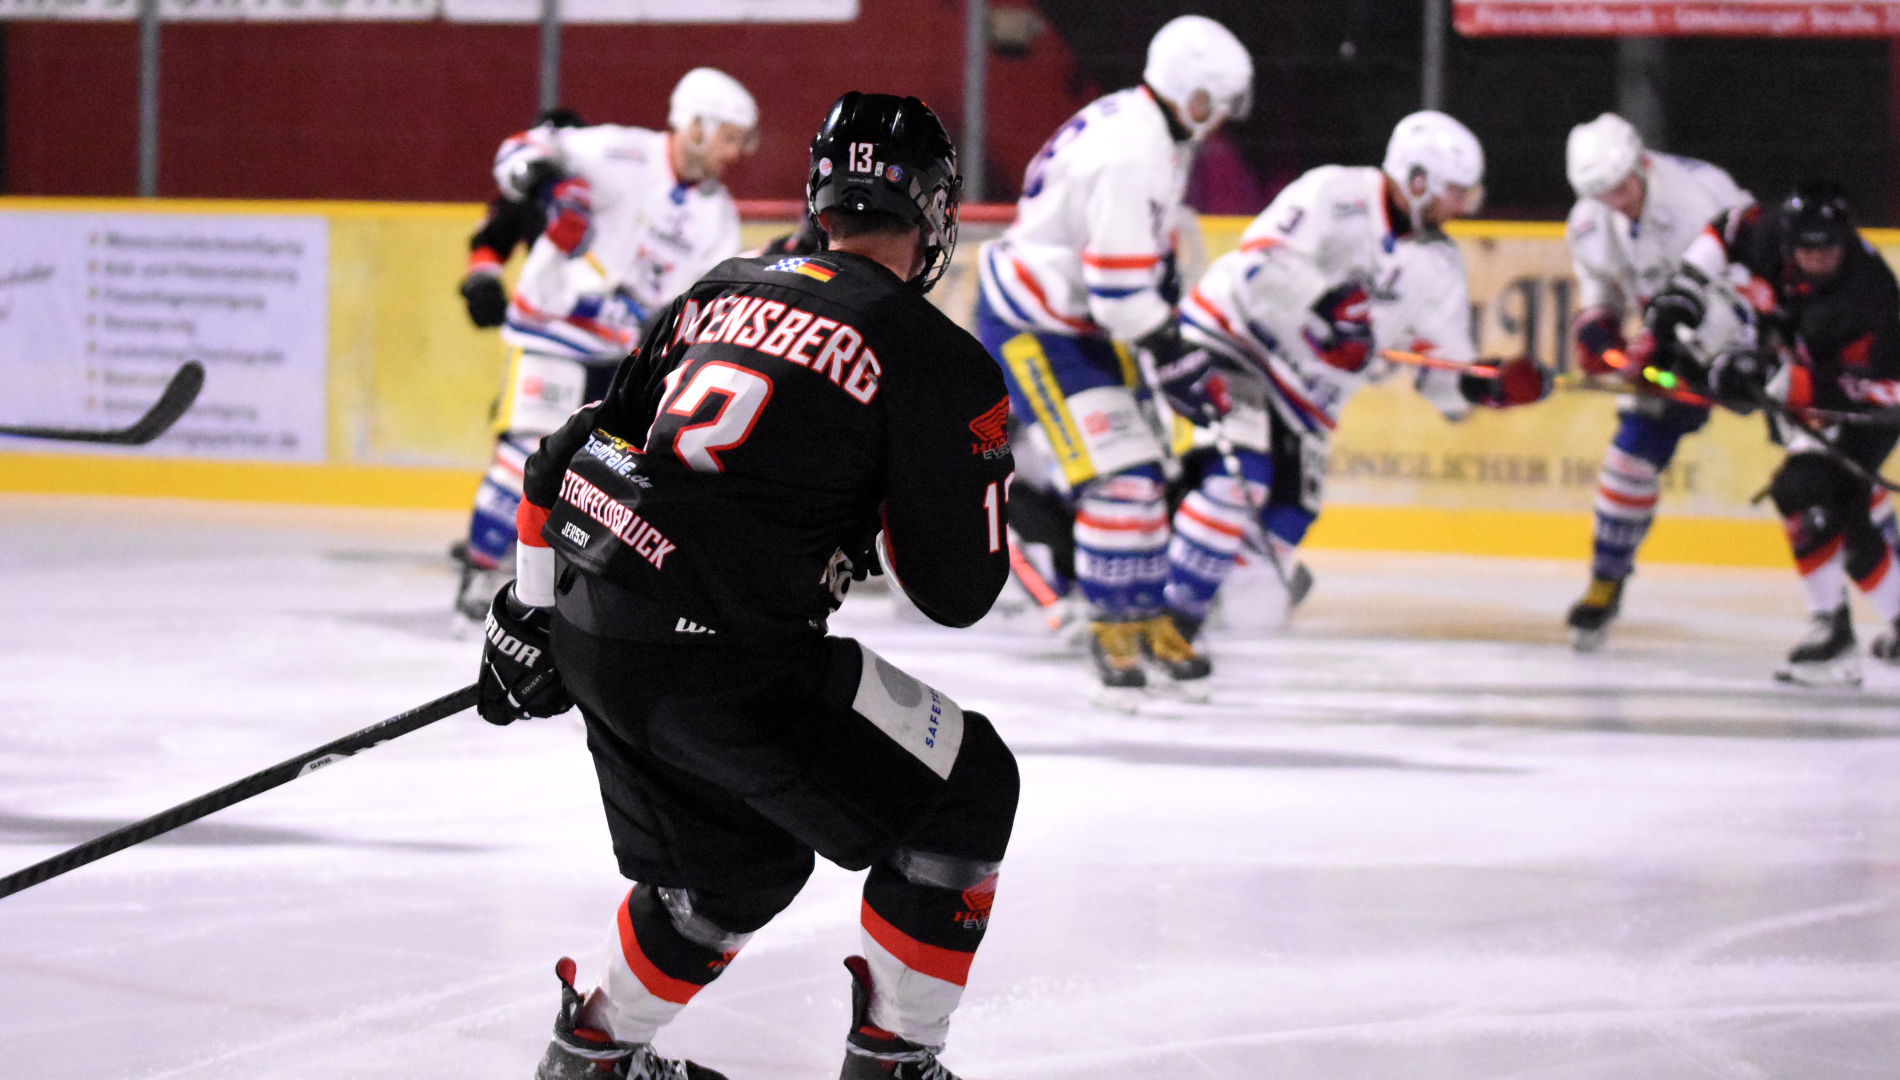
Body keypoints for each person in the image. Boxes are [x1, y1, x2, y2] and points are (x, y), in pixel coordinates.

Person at [476, 92, 1018, 1080]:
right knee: (969, 791)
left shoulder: (720, 286)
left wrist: (527, 614)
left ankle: (595, 1052)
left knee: (736, 867)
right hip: (730, 659)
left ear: (821, 194)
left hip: (600, 627)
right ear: (935, 214)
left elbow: (558, 458)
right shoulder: (937, 358)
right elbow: (956, 592)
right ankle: (896, 1063)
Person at [1164, 111, 1549, 670]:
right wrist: (1324, 304)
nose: (1461, 207)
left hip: (1307, 400)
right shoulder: (1333, 193)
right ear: (1416, 180)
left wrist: (1484, 385)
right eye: (1453, 192)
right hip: (1236, 344)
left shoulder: (1439, 265)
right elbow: (1258, 263)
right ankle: (1168, 620)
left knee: (1266, 586)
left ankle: (1196, 578)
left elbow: (1438, 372)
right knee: (1238, 479)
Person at [974, 13, 1253, 700]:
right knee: (1120, 479)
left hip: (1076, 319)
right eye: (1215, 102)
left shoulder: (1143, 124)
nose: (1219, 119)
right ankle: (1110, 625)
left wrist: (1165, 332)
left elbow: (1131, 274)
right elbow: (1122, 295)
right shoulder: (1139, 151)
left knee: (1145, 473)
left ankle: (1140, 612)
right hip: (1039, 323)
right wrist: (1176, 355)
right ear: (1192, 92)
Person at [454, 68, 759, 627]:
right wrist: (538, 172)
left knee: (606, 472)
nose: (735, 153)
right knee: (525, 452)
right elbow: (523, 150)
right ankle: (478, 572)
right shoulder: (621, 153)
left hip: (625, 359)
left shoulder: (718, 214)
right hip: (553, 332)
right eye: (729, 137)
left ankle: (569, 581)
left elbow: (705, 298)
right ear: (695, 126)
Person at [1658, 180, 1900, 684]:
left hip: (1874, 401)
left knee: (1808, 491)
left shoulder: (1863, 297)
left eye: (1829, 248)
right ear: (1788, 238)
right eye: (1808, 247)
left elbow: (1839, 392)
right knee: (1841, 508)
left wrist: (1764, 377)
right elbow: (1726, 231)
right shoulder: (1770, 228)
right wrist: (1686, 287)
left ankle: (1834, 632)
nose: (1818, 257)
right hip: (1816, 376)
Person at [1560, 112, 1753, 650]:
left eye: (1621, 189)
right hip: (1675, 349)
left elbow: (1745, 288)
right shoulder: (1592, 216)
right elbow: (1597, 284)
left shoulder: (1698, 197)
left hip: (1748, 340)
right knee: (1627, 461)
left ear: (1642, 163)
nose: (1616, 203)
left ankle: (1898, 609)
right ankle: (1605, 581)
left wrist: (1693, 352)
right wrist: (1598, 327)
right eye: (1603, 195)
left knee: (1818, 463)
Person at [457, 108, 590, 331]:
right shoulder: (527, 195)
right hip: (551, 313)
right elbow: (491, 240)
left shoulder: (615, 189)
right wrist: (483, 280)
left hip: (617, 312)